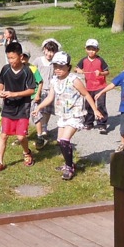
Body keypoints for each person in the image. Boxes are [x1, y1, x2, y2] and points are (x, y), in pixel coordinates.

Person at [34, 51, 98, 180]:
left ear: (68, 67)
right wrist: (39, 107)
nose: (58, 70)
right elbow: (50, 97)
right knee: (60, 141)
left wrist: (95, 110)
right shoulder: (54, 81)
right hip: (63, 115)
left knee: (64, 140)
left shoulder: (74, 80)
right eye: (55, 66)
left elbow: (86, 94)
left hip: (75, 114)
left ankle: (70, 168)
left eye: (61, 67)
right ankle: (69, 163)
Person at [0, 42, 37, 173]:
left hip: (23, 107)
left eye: (13, 58)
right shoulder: (5, 69)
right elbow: (1, 84)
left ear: (21, 56)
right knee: (3, 135)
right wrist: (1, 92)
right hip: (8, 108)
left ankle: (27, 152)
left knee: (20, 137)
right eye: (8, 58)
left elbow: (31, 90)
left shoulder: (27, 71)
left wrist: (14, 94)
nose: (11, 61)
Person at [75, 38, 110, 132]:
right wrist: (78, 70)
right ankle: (88, 123)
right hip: (88, 87)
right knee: (88, 105)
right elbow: (76, 69)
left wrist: (101, 73)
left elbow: (107, 72)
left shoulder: (100, 60)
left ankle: (102, 124)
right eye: (89, 49)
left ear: (97, 50)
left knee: (101, 105)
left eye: (94, 49)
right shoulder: (83, 60)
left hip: (100, 87)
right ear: (85, 49)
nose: (91, 51)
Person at [32, 39, 60, 148]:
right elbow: (32, 71)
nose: (49, 54)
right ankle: (40, 127)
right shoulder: (38, 60)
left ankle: (44, 126)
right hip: (40, 89)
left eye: (52, 52)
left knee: (47, 110)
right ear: (44, 50)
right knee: (39, 109)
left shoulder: (55, 63)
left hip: (51, 89)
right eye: (48, 51)